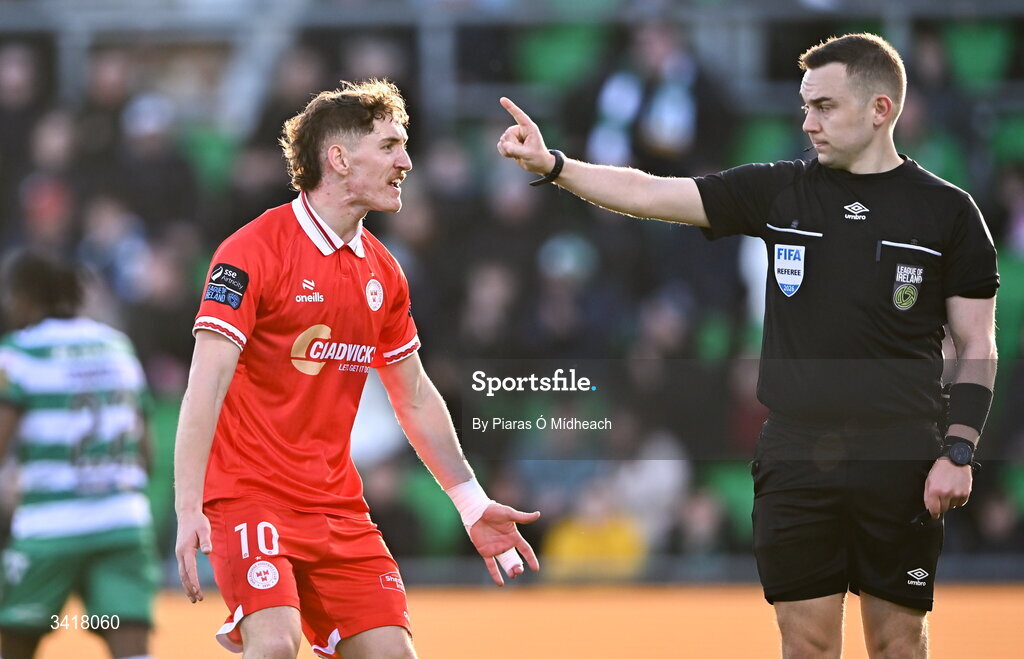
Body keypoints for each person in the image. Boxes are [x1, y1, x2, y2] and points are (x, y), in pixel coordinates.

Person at [498, 33, 998, 658]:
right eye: (804, 105)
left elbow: (978, 342)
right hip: (794, 451)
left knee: (898, 643)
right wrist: (556, 167)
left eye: (824, 107)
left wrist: (960, 448)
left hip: (899, 453)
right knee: (806, 644)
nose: (807, 121)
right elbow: (655, 192)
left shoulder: (949, 213)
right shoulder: (779, 191)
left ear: (881, 109)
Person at [174, 78, 540, 659]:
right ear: (339, 158)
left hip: (337, 507)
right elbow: (205, 384)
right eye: (391, 146)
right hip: (251, 498)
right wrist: (189, 505)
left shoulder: (384, 274)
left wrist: (471, 502)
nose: (407, 161)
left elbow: (414, 395)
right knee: (273, 646)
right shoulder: (252, 251)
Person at [0, 249, 158, 659]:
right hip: (122, 519)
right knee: (132, 648)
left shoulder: (19, 353)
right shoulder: (117, 346)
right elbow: (147, 452)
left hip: (49, 526)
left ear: (24, 297)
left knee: (14, 641)